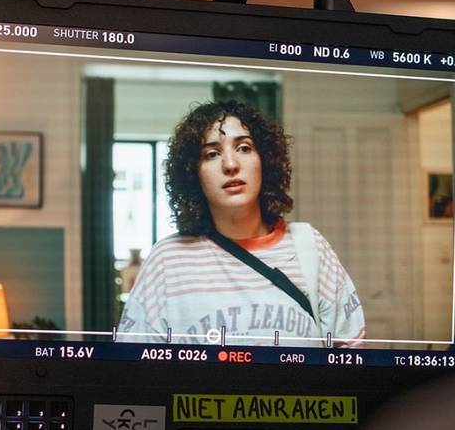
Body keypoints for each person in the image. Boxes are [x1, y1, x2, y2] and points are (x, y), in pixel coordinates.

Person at [116, 101, 364, 347]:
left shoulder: (310, 247)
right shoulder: (167, 261)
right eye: (212, 154)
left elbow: (350, 353)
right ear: (193, 173)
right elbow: (134, 362)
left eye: (244, 148)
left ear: (264, 160)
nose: (230, 165)